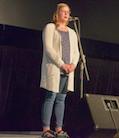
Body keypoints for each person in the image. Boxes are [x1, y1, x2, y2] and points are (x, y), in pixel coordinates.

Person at [40, 3, 80, 138]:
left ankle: (58, 128)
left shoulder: (72, 32)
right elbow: (49, 48)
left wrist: (73, 64)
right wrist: (62, 64)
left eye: (68, 12)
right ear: (57, 13)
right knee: (51, 97)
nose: (66, 14)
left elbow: (76, 51)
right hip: (55, 68)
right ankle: (46, 129)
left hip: (68, 70)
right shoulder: (50, 27)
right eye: (63, 11)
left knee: (61, 99)